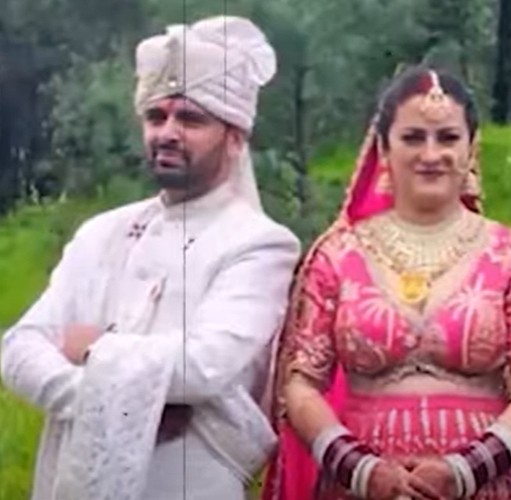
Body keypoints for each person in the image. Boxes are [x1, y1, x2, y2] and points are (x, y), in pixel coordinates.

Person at [0, 16, 301, 500]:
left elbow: (204, 365)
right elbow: (19, 347)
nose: (168, 132)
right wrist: (111, 405)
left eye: (191, 119)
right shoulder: (101, 232)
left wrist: (94, 348)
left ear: (235, 138)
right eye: (156, 117)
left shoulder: (260, 244)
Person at [262, 65, 511, 500]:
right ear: (383, 150)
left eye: (447, 137)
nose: (431, 153)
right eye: (412, 138)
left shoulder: (508, 254)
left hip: (488, 484)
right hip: (362, 487)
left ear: (471, 148)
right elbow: (300, 384)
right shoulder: (338, 255)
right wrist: (359, 469)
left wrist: (466, 469)